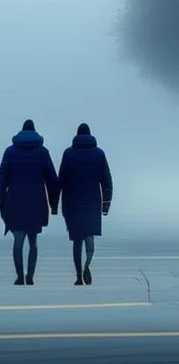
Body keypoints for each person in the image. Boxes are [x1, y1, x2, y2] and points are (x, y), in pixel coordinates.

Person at [0, 119, 60, 285]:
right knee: (33, 241)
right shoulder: (43, 153)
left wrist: (2, 205)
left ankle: (19, 276)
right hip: (36, 204)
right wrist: (54, 205)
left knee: (18, 241)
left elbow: (1, 181)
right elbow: (52, 181)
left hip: (15, 203)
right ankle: (30, 276)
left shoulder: (10, 152)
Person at [58, 123, 113, 286]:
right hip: (92, 201)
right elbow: (106, 180)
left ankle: (78, 276)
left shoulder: (68, 154)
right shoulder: (99, 154)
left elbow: (61, 179)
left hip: (73, 202)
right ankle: (87, 264)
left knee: (77, 241)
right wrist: (106, 203)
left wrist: (55, 203)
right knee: (90, 236)